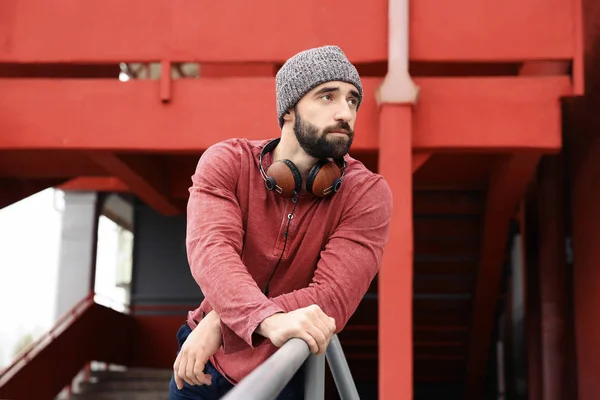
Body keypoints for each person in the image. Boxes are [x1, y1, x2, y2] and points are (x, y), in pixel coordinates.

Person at [169, 45, 393, 400]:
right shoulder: (227, 162)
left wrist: (221, 320)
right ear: (288, 109)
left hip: (287, 366)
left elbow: (332, 297)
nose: (345, 113)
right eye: (327, 97)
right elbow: (212, 253)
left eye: (352, 100)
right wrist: (263, 320)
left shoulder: (367, 193)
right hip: (202, 364)